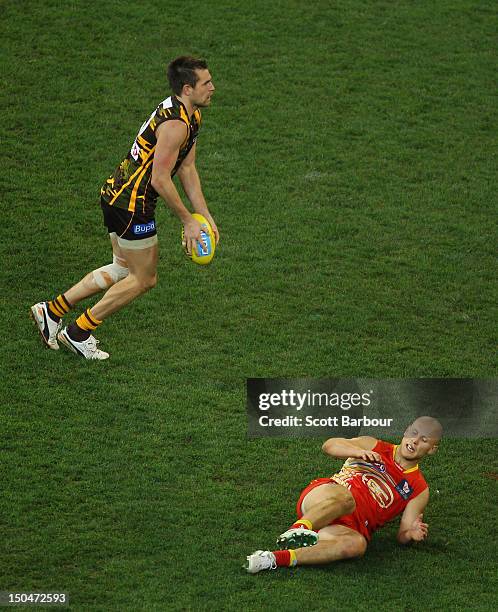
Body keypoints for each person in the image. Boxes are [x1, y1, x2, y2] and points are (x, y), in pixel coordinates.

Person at [30, 56, 218, 360]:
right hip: (133, 205)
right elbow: (160, 178)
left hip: (115, 193)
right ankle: (79, 332)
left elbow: (187, 167)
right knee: (144, 278)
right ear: (187, 88)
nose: (213, 87)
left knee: (122, 268)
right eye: (206, 83)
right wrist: (187, 221)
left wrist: (203, 215)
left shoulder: (189, 115)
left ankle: (52, 312)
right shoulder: (175, 125)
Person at [246, 416, 442, 573]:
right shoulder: (374, 445)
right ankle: (297, 529)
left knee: (357, 545)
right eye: (413, 433)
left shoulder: (419, 489)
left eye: (423, 440)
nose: (414, 441)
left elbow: (402, 535)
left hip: (349, 526)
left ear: (432, 449)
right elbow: (329, 445)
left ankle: (272, 558)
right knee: (348, 500)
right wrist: (356, 452)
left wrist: (410, 534)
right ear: (407, 430)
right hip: (326, 497)